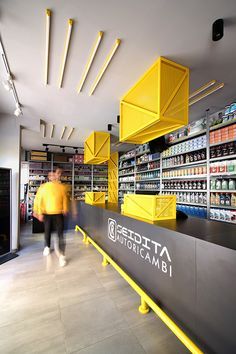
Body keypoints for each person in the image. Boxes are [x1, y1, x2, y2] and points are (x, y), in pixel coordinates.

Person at [33, 171, 69, 267]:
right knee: (47, 231)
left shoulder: (61, 187)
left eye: (55, 175)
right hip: (47, 214)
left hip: (58, 214)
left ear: (57, 176)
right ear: (49, 177)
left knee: (60, 234)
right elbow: (39, 199)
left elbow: (64, 198)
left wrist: (65, 209)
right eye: (51, 175)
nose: (53, 176)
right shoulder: (43, 187)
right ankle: (47, 246)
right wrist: (38, 212)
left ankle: (62, 256)